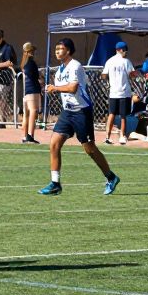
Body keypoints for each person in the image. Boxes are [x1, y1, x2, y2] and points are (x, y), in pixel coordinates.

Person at [39, 37, 120, 197]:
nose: (57, 51)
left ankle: (111, 177)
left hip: (82, 112)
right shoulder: (60, 70)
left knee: (89, 149)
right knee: (54, 144)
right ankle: (55, 184)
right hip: (67, 112)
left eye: (60, 49)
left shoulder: (75, 66)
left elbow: (73, 88)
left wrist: (54, 88)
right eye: (55, 49)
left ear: (68, 51)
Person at [101, 41, 138, 145]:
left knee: (111, 114)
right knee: (123, 116)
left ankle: (107, 137)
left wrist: (109, 79)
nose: (126, 52)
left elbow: (103, 75)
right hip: (124, 92)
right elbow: (132, 75)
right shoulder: (126, 61)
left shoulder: (109, 61)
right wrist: (137, 73)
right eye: (125, 50)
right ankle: (122, 136)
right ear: (121, 50)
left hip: (113, 92)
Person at [20, 42, 42, 144]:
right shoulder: (31, 63)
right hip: (33, 90)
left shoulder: (23, 63)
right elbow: (35, 76)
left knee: (26, 114)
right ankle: (30, 135)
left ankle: (25, 136)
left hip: (26, 90)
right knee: (33, 111)